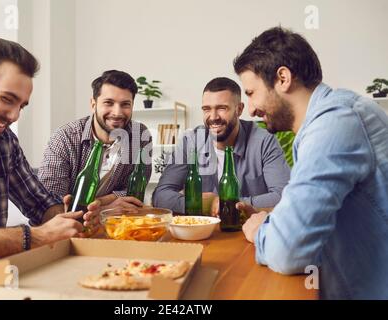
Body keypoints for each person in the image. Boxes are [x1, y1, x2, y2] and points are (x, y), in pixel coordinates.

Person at [234, 26, 388, 299]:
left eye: (251, 92)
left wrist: (261, 232)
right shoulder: (329, 120)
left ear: (283, 78)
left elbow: (289, 251)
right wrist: (276, 221)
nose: (250, 109)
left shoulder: (335, 123)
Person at [0, 38, 94, 268]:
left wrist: (74, 221)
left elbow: (40, 203)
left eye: (21, 105)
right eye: (7, 99)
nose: (13, 116)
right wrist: (35, 237)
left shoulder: (4, 141)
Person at [152, 77, 290, 214]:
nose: (213, 117)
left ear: (239, 109)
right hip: (202, 232)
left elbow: (285, 196)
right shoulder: (191, 141)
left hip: (246, 230)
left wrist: (226, 203)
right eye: (206, 109)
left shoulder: (264, 141)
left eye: (222, 108)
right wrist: (204, 204)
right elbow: (160, 195)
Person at [38, 70, 152, 213]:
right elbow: (51, 202)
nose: (117, 113)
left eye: (125, 104)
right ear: (93, 104)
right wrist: (105, 208)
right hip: (66, 227)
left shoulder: (140, 135)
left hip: (116, 221)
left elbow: (133, 190)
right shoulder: (65, 137)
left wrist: (100, 203)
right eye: (108, 103)